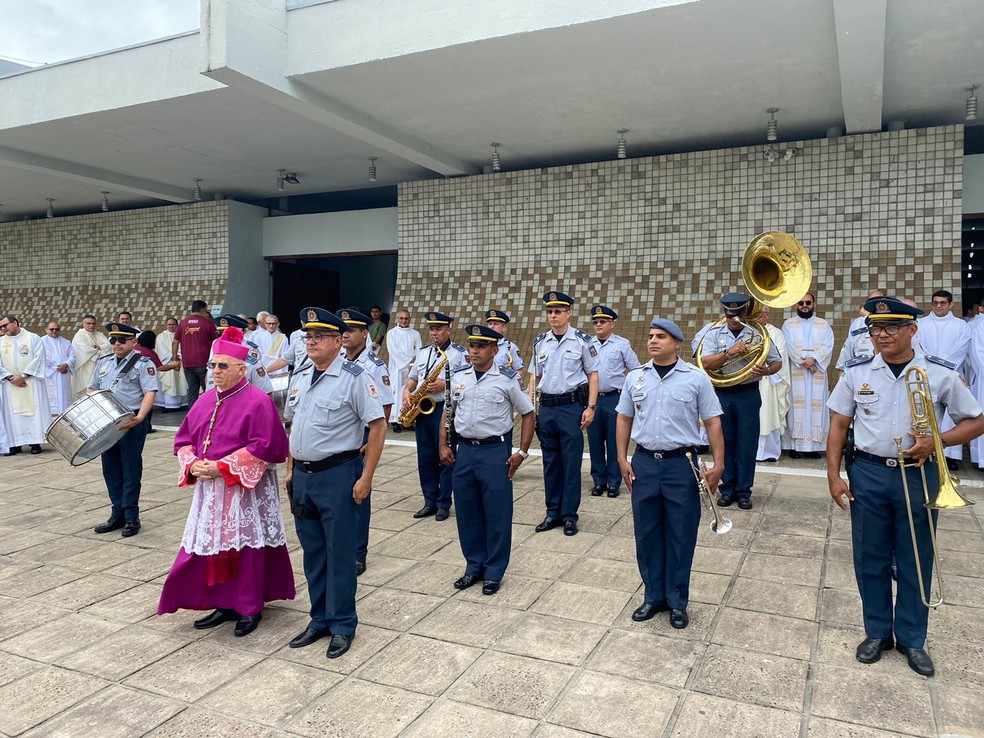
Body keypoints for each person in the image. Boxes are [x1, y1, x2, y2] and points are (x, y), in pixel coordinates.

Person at [826, 296, 984, 677]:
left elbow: (976, 420)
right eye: (875, 328)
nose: (881, 335)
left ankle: (912, 638)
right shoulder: (856, 371)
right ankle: (877, 632)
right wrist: (833, 475)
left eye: (891, 327)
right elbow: (838, 425)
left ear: (913, 329)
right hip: (869, 472)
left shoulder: (940, 372)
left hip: (918, 472)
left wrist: (938, 441)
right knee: (871, 557)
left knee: (916, 556)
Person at [157, 334, 295, 637]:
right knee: (216, 545)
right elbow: (183, 441)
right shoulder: (205, 400)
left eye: (222, 365)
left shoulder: (259, 402)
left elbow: (269, 447)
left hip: (245, 490)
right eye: (212, 365)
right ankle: (224, 602)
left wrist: (223, 466)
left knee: (246, 547)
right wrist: (192, 463)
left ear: (241, 369)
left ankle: (249, 606)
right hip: (211, 489)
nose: (215, 371)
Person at [283, 307, 385, 659]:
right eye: (308, 336)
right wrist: (290, 469)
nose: (311, 342)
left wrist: (366, 477)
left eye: (319, 336)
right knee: (313, 554)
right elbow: (294, 425)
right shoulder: (301, 375)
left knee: (339, 553)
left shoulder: (355, 377)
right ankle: (319, 619)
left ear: (339, 340)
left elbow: (377, 426)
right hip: (304, 478)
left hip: (338, 476)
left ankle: (343, 623)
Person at [617, 318, 724, 629]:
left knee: (680, 534)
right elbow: (624, 418)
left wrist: (719, 465)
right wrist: (623, 458)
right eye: (651, 336)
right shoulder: (635, 377)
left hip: (682, 465)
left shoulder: (696, 378)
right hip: (645, 463)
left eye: (661, 336)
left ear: (677, 343)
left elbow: (713, 422)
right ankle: (653, 597)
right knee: (647, 533)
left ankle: (677, 601)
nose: (653, 341)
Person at [439, 324, 534, 595]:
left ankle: (494, 571)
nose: (475, 351)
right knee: (467, 512)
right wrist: (443, 445)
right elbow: (448, 412)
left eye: (481, 346)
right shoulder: (459, 377)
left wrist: (522, 452)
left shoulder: (507, 379)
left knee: (497, 513)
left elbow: (528, 413)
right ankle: (473, 566)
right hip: (464, 451)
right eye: (472, 345)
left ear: (495, 350)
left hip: (495, 452)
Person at [697, 293, 782, 509]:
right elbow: (705, 362)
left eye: (736, 314)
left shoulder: (757, 333)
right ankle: (727, 488)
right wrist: (729, 352)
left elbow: (777, 362)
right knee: (724, 442)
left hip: (748, 393)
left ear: (744, 312)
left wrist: (767, 369)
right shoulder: (714, 333)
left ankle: (744, 491)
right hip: (722, 394)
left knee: (747, 443)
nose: (732, 318)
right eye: (728, 314)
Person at [529, 291, 600, 536]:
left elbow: (593, 375)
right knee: (550, 464)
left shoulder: (582, 341)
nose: (553, 315)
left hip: (571, 408)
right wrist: (531, 407)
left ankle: (570, 516)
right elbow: (534, 376)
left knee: (570, 464)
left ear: (568, 313)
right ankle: (553, 513)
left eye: (558, 311)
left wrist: (591, 407)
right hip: (547, 408)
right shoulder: (540, 343)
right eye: (550, 311)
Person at [88, 323, 159, 537]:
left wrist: (140, 418)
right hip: (107, 423)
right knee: (110, 468)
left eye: (122, 340)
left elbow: (149, 392)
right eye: (113, 340)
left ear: (134, 342)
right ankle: (116, 513)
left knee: (130, 469)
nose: (116, 344)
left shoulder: (143, 364)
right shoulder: (103, 363)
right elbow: (92, 388)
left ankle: (131, 516)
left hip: (131, 422)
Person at [339, 308, 395, 576]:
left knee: (360, 494)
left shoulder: (375, 366)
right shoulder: (335, 360)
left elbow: (385, 406)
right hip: (339, 436)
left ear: (365, 333)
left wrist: (373, 440)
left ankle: (359, 552)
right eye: (343, 330)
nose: (345, 334)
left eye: (351, 330)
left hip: (363, 435)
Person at [402, 312, 468, 521]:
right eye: (432, 329)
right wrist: (407, 392)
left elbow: (465, 382)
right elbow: (413, 378)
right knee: (425, 457)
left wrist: (444, 384)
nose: (434, 333)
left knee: (445, 456)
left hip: (444, 408)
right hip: (423, 410)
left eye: (438, 329)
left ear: (448, 330)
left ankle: (443, 503)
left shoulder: (459, 353)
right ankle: (429, 501)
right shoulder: (423, 353)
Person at [586, 304, 640, 498]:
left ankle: (614, 482)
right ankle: (599, 481)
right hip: (593, 399)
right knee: (595, 441)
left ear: (612, 324)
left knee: (615, 440)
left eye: (603, 321)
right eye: (596, 322)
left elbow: (635, 370)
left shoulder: (622, 344)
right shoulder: (587, 344)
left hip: (614, 398)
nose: (599, 324)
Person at [917, 290, 971, 472]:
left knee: (950, 415)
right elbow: (918, 346)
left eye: (942, 303)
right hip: (926, 373)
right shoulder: (921, 324)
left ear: (951, 304)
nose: (938, 306)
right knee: (926, 412)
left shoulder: (961, 325)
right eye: (935, 303)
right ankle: (927, 449)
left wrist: (943, 367)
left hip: (951, 374)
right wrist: (932, 366)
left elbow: (962, 348)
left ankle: (950, 456)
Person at [781, 292, 834, 459]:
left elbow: (828, 345)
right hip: (797, 370)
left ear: (814, 304)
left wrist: (815, 360)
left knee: (816, 406)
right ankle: (795, 446)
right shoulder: (788, 324)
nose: (805, 305)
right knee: (797, 407)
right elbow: (787, 346)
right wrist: (803, 361)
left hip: (816, 370)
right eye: (801, 302)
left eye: (808, 302)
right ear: (796, 305)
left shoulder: (824, 324)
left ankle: (814, 447)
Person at [0, 315, 51, 455]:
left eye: (5, 325)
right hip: (10, 383)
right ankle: (14, 444)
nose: (3, 329)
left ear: (15, 323)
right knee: (12, 414)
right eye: (1, 327)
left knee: (34, 410)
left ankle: (35, 442)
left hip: (31, 380)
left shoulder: (33, 338)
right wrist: (11, 377)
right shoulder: (1, 341)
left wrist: (24, 376)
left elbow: (39, 358)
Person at [755, 306, 791, 462]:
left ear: (767, 315)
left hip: (769, 380)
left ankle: (769, 452)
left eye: (760, 314)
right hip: (749, 379)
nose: (756, 318)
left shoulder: (775, 333)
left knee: (768, 414)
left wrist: (766, 367)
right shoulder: (747, 330)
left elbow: (781, 354)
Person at [205, 316, 273, 395]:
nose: (223, 339)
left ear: (241, 332)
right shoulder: (216, 344)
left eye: (228, 335)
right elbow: (209, 374)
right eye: (221, 335)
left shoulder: (250, 352)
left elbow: (265, 391)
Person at [173, 300, 218, 408]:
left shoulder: (183, 323)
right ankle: (209, 414)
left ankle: (192, 416)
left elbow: (175, 341)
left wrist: (175, 359)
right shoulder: (208, 323)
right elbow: (216, 341)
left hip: (188, 363)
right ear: (202, 309)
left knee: (192, 391)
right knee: (208, 389)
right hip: (204, 362)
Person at [135, 331, 180, 432]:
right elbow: (160, 367)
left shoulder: (134, 349)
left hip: (132, 381)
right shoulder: (149, 352)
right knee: (147, 404)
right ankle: (147, 428)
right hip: (145, 382)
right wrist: (174, 366)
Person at [386, 310, 421, 433]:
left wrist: (414, 365)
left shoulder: (415, 334)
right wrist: (408, 361)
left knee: (409, 393)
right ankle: (395, 421)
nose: (403, 321)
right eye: (401, 318)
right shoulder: (391, 333)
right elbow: (393, 350)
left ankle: (408, 420)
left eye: (406, 319)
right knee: (396, 393)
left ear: (409, 319)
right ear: (397, 319)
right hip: (397, 368)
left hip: (411, 369)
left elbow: (419, 350)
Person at [836, 289, 886, 371]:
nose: (874, 304)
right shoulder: (857, 323)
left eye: (878, 301)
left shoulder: (893, 322)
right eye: (871, 301)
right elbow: (845, 361)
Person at [71, 315, 111, 400]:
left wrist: (98, 347)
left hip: (99, 366)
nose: (91, 325)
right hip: (84, 366)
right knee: (84, 391)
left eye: (93, 323)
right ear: (83, 324)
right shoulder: (79, 335)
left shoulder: (99, 334)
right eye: (89, 323)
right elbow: (86, 350)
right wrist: (101, 349)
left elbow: (109, 346)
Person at [41, 320, 76, 417]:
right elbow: (41, 358)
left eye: (57, 329)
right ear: (46, 330)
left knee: (64, 397)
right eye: (51, 329)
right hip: (50, 376)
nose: (54, 331)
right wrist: (57, 367)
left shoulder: (66, 342)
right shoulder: (41, 342)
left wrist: (66, 364)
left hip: (64, 374)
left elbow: (73, 355)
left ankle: (66, 415)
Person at [155, 317, 188, 411]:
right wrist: (172, 356)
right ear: (166, 325)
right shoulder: (161, 336)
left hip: (181, 361)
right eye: (169, 324)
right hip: (168, 362)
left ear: (177, 325)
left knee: (182, 381)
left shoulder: (182, 335)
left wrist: (178, 356)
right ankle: (170, 405)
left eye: (173, 324)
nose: (171, 326)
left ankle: (183, 403)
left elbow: (185, 346)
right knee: (170, 382)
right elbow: (160, 349)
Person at [485, 310, 524, 376]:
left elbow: (519, 371)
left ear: (504, 328)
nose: (492, 327)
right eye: (490, 324)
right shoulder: (481, 346)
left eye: (495, 324)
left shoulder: (510, 347)